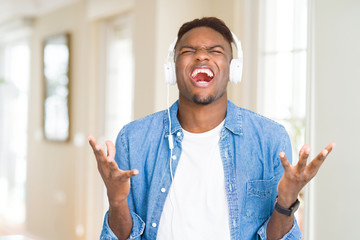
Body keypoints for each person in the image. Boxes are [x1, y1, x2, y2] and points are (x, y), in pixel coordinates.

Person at [88, 17, 335, 240]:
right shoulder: (134, 139)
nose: (202, 56)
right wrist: (117, 199)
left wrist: (287, 200)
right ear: (172, 69)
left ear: (233, 69)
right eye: (188, 50)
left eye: (215, 51)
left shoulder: (269, 138)